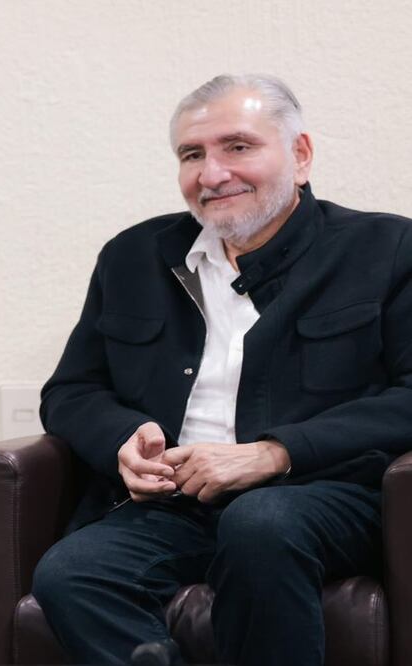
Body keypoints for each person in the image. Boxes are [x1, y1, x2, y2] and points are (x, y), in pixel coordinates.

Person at [32, 74, 412, 665]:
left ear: (300, 155)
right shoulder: (132, 257)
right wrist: (122, 443)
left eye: (237, 146)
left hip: (322, 494)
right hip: (177, 503)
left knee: (261, 522)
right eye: (192, 155)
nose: (211, 174)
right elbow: (72, 390)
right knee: (71, 571)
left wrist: (275, 452)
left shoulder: (387, 249)